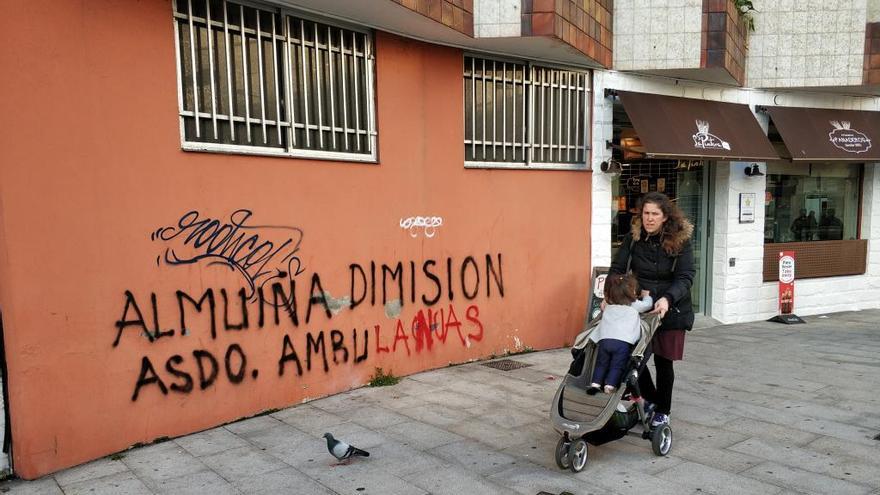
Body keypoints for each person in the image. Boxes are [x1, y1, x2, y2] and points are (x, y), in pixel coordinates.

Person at [610, 192, 696, 428]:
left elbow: (686, 276)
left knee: (663, 361)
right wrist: (611, 295)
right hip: (641, 306)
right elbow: (617, 268)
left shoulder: (680, 240)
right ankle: (650, 399)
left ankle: (662, 411)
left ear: (665, 216)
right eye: (646, 213)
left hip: (672, 308)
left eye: (654, 214)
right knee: (631, 355)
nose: (649, 219)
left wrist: (668, 299)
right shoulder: (633, 238)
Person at [588, 273, 653, 395]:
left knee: (601, 363)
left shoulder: (609, 304)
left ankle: (595, 384)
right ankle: (609, 385)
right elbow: (647, 305)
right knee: (617, 365)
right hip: (622, 342)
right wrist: (646, 296)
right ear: (630, 292)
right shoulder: (634, 305)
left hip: (605, 340)